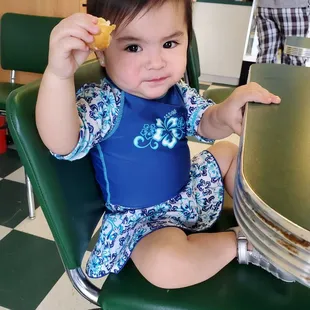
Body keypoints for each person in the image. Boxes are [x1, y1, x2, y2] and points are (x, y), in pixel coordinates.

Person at [36, 0, 294, 289]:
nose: (156, 62)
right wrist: (59, 75)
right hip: (147, 221)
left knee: (229, 152)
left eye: (169, 44)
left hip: (188, 189)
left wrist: (226, 112)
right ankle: (246, 243)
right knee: (165, 266)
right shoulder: (105, 103)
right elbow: (62, 142)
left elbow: (205, 122)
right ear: (102, 53)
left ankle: (265, 221)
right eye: (133, 47)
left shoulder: (177, 91)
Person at [256, 0, 310, 66]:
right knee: (295, 60)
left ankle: (263, 76)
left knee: (266, 57)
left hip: (263, 7)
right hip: (293, 6)